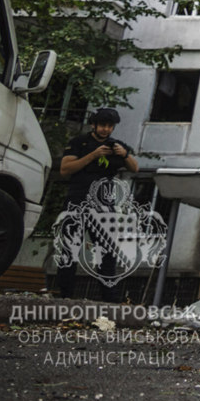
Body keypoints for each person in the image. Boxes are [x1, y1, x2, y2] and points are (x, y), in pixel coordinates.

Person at [55, 107, 139, 300]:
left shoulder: (116, 145)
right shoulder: (79, 142)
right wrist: (93, 155)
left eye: (110, 126)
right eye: (102, 125)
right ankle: (65, 295)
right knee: (69, 247)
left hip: (103, 202)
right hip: (77, 198)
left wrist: (124, 154)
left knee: (107, 249)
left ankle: (109, 299)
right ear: (94, 124)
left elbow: (135, 168)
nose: (105, 130)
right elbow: (65, 169)